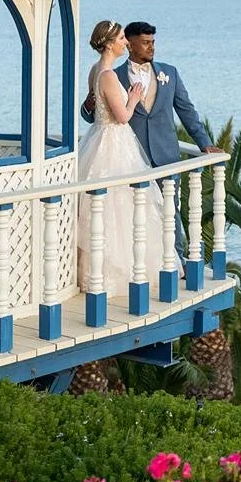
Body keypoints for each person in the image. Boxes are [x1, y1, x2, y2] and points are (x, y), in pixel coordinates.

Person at [76, 19, 165, 293]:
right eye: (122, 40)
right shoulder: (109, 76)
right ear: (111, 43)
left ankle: (95, 271)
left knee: (104, 209)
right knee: (121, 208)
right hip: (114, 142)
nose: (125, 43)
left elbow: (92, 106)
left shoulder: (95, 71)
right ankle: (117, 272)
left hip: (98, 140)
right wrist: (134, 97)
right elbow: (123, 116)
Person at [80, 20, 224, 164]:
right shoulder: (113, 75)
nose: (151, 48)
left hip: (167, 158)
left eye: (153, 42)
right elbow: (96, 117)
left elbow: (187, 111)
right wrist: (87, 106)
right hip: (130, 158)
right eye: (145, 43)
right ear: (130, 45)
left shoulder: (170, 73)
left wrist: (205, 144)